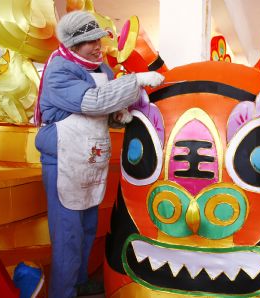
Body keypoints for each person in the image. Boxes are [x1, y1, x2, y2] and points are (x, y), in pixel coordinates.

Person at [34, 11, 164, 298]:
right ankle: (63, 292)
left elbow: (101, 112)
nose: (97, 47)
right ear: (71, 45)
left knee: (88, 227)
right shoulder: (59, 70)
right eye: (89, 42)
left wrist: (119, 117)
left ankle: (79, 283)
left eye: (98, 40)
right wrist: (136, 81)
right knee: (68, 233)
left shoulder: (102, 69)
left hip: (90, 158)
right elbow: (91, 102)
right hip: (65, 159)